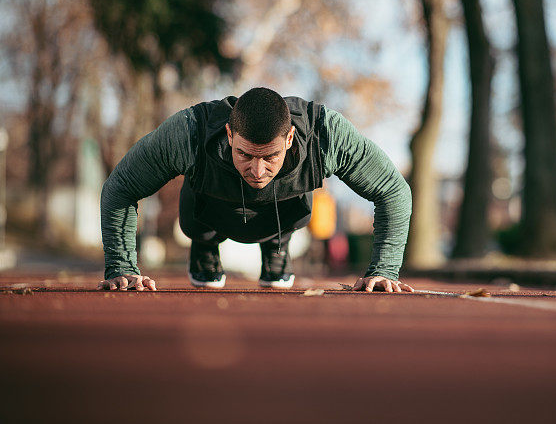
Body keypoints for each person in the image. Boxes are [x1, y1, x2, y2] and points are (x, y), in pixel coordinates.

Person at [97, 87, 414, 293]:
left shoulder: (325, 135)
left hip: (284, 214)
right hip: (209, 213)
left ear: (289, 139)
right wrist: (122, 265)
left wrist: (384, 269)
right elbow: (120, 188)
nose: (257, 171)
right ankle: (205, 247)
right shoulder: (190, 132)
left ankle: (278, 245)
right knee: (199, 195)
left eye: (270, 156)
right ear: (229, 134)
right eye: (245, 154)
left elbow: (393, 190)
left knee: (291, 203)